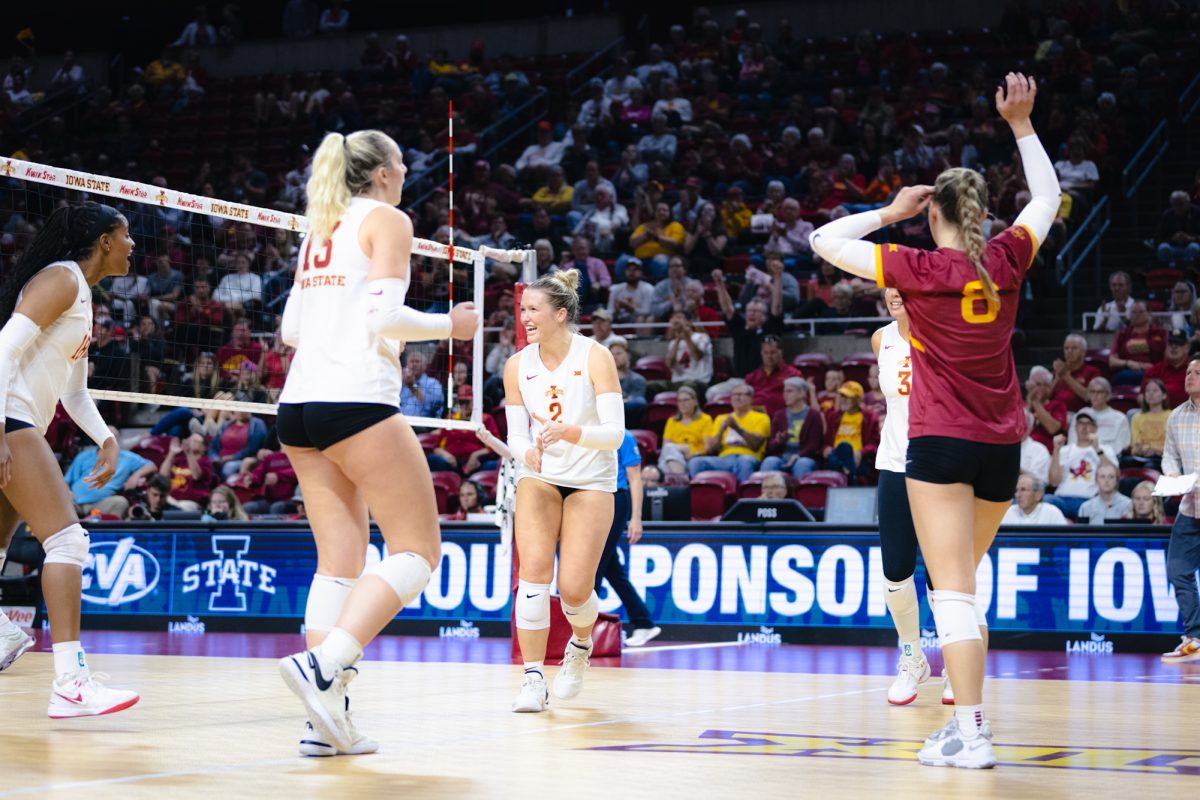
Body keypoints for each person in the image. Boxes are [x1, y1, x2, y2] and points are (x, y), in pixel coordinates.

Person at [809, 73, 1060, 768]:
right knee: (962, 588)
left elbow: (823, 238)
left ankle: (972, 732)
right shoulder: (1008, 256)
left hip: (942, 442)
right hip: (1003, 448)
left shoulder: (916, 267)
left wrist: (890, 212)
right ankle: (965, 727)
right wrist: (1021, 125)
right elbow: (1047, 197)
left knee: (948, 593)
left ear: (934, 217)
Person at [275, 129, 479, 756]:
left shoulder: (322, 227)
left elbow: (289, 330)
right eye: (402, 160)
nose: (408, 168)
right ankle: (324, 662)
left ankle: (324, 723)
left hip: (298, 406)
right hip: (355, 399)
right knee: (418, 549)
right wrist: (454, 325)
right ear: (386, 172)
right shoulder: (387, 218)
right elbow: (383, 317)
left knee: (339, 562)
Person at [0, 201, 141, 715]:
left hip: (20, 419)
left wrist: (106, 438)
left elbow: (75, 394)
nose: (133, 246)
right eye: (126, 236)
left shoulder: (81, 295)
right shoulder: (60, 279)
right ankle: (70, 682)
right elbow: (2, 350)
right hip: (9, 418)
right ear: (104, 240)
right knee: (66, 539)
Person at [502, 268, 623, 712]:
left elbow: (614, 435)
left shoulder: (595, 356)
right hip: (541, 476)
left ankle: (581, 644)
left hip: (591, 478)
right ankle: (533, 677)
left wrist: (571, 432)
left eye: (532, 310)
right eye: (521, 310)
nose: (524, 317)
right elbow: (516, 435)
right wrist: (524, 455)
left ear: (560, 313)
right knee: (532, 577)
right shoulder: (517, 365)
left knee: (574, 589)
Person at [866, 287, 937, 703]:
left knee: (944, 573)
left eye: (902, 286)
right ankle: (912, 657)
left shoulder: (943, 334)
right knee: (895, 571)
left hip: (936, 465)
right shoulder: (882, 338)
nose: (895, 294)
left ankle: (954, 663)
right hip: (893, 462)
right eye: (889, 287)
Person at [596, 431, 660, 648]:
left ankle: (580, 631)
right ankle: (643, 621)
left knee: (593, 565)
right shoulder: (585, 432)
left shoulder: (624, 436)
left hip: (615, 498)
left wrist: (636, 518)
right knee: (611, 569)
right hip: (594, 498)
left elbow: (635, 479)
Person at [1159, 357, 1200, 663]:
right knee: (1177, 570)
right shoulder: (1176, 416)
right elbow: (1169, 456)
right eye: (1188, 372)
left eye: (1197, 373)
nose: (1190, 376)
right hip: (1190, 507)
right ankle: (1195, 637)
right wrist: (1172, 474)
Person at [761, 377, 823, 479]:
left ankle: (799, 494)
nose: (785, 395)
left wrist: (798, 455)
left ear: (802, 394)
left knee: (802, 464)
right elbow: (770, 447)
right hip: (782, 456)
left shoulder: (813, 415)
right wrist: (778, 441)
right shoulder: (779, 415)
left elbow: (814, 445)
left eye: (789, 391)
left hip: (804, 457)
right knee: (769, 462)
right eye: (784, 392)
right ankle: (766, 494)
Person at [822, 381, 880, 482]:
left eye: (847, 397)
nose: (843, 400)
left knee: (845, 448)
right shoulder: (833, 417)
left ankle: (848, 474)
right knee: (843, 448)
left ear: (857, 399)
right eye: (842, 396)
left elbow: (875, 444)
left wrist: (861, 452)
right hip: (835, 455)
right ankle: (851, 476)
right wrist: (825, 448)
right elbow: (826, 442)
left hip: (860, 459)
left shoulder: (869, 417)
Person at [658, 385, 713, 475]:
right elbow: (666, 447)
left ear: (695, 402)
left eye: (686, 400)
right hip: (674, 456)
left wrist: (692, 454)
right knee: (667, 451)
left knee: (666, 459)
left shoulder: (705, 419)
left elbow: (707, 448)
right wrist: (681, 450)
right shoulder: (672, 421)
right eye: (680, 401)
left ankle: (674, 480)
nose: (682, 403)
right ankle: (680, 477)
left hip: (694, 456)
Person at [1068, 377, 1130, 456]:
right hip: (1081, 457)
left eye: (1099, 392)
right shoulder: (1080, 415)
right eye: (1092, 392)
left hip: (1108, 460)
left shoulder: (1120, 418)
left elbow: (1120, 447)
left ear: (1107, 395)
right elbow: (1072, 443)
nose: (1095, 395)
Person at [1128, 378, 1170, 469]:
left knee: (1149, 466)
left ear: (1164, 395)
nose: (1150, 393)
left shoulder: (1171, 416)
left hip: (1162, 457)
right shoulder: (1137, 417)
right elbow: (1134, 447)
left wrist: (1154, 450)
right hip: (1142, 456)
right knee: (1124, 463)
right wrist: (1139, 449)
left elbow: (1173, 447)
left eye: (1155, 390)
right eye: (1147, 391)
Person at [1001, 472, 1068, 525]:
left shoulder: (1052, 513)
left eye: (1023, 490)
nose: (1017, 495)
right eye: (1016, 491)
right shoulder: (1008, 512)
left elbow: (1064, 540)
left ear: (1038, 495)